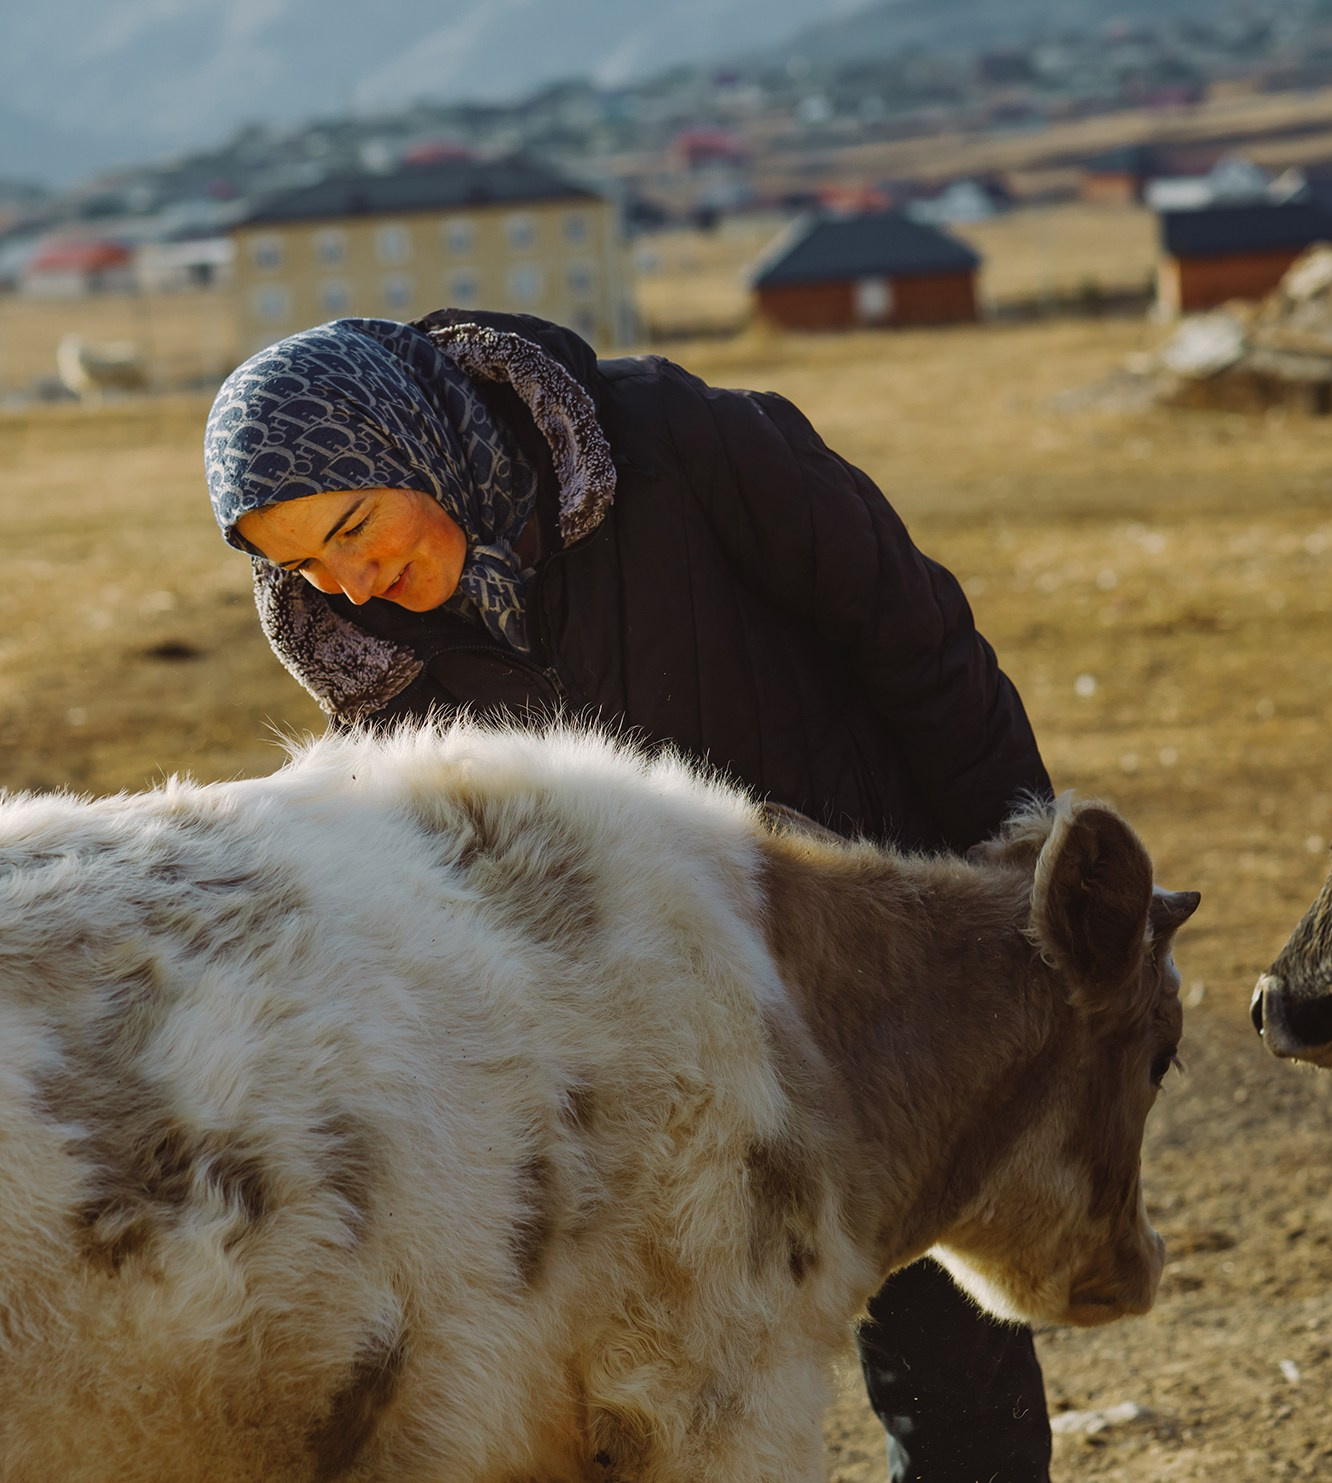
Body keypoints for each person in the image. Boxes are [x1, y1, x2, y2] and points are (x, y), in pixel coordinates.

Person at [204, 309, 1058, 1483]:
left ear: (418, 439)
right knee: (669, 1373)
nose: (352, 580)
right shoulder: (365, 660)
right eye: (305, 563)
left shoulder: (676, 444)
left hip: (867, 959)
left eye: (354, 525)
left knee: (940, 1345)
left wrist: (1022, 874)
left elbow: (911, 642)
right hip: (654, 1036)